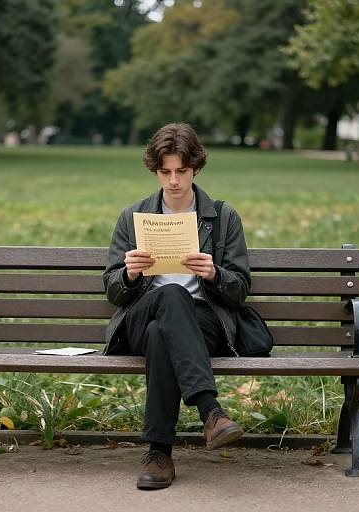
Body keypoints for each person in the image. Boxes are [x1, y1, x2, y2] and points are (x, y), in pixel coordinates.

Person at [103, 122, 251, 490]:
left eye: (181, 171)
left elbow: (240, 290)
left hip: (203, 323)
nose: (173, 181)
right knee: (167, 299)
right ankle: (210, 412)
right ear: (155, 170)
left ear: (196, 168)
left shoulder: (222, 216)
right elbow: (112, 289)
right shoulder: (133, 216)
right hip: (141, 316)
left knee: (162, 332)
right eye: (165, 171)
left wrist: (216, 274)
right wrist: (130, 275)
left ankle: (159, 454)